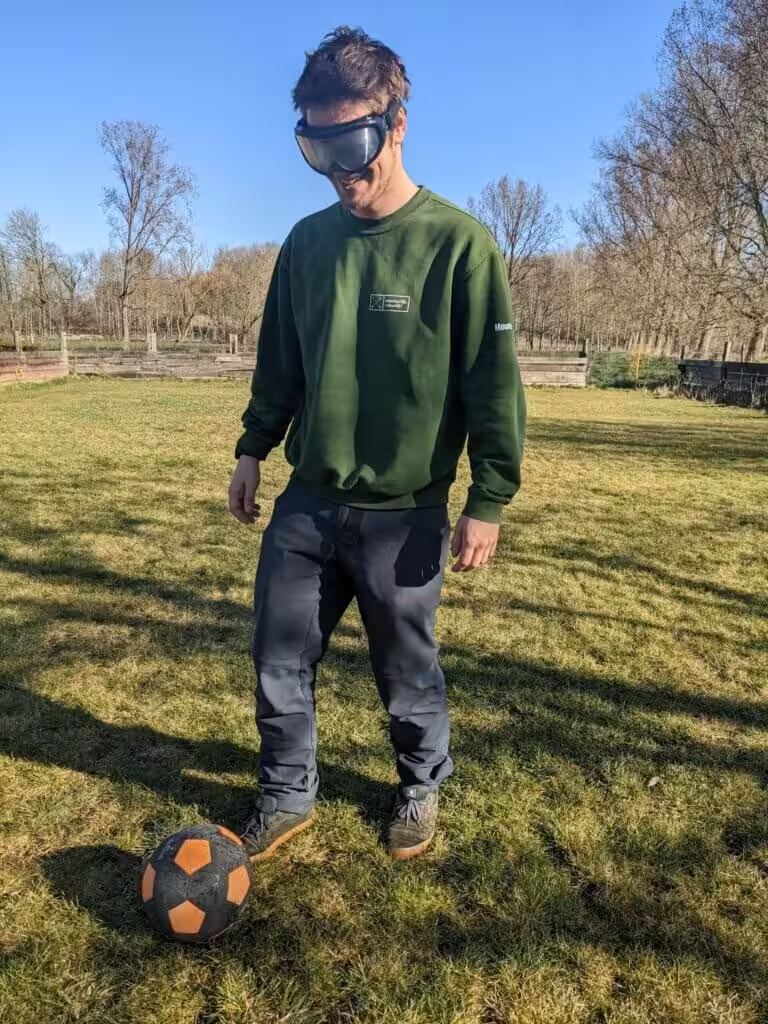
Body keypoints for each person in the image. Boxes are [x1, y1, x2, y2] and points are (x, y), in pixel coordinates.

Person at [228, 26, 526, 862]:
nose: (339, 171)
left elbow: (492, 383)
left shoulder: (460, 245)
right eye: (315, 149)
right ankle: (287, 794)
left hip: (408, 512)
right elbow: (279, 363)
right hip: (309, 503)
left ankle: (420, 784)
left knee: (407, 673)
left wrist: (488, 498)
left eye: (351, 144)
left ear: (397, 124)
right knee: (277, 657)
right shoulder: (307, 246)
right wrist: (255, 447)